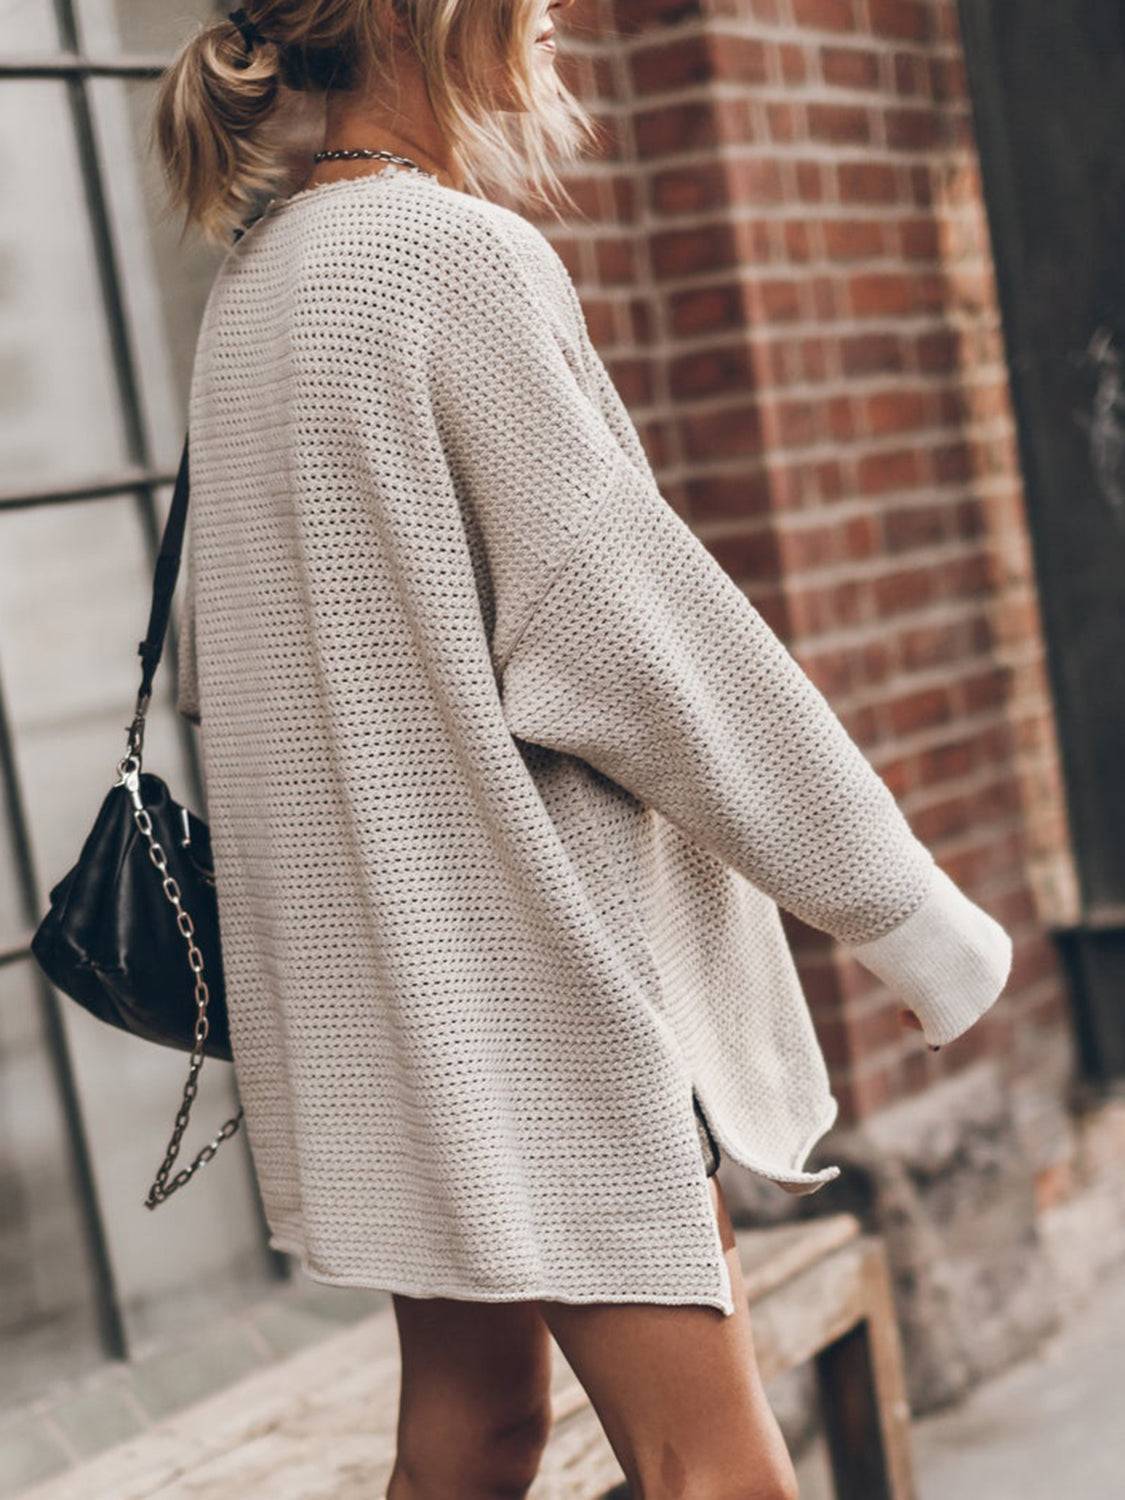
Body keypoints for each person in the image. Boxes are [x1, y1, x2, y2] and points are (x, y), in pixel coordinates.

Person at [152, 4, 1013, 1497]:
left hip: (390, 1004)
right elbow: (641, 646)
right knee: (711, 1468)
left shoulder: (258, 285)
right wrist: (903, 913)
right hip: (542, 997)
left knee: (470, 1434)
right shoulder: (449, 261)